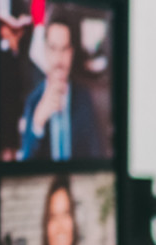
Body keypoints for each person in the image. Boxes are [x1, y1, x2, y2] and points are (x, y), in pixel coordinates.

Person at [15, 8, 104, 162]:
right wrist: (38, 123)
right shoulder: (33, 102)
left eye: (64, 49)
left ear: (72, 53)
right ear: (45, 51)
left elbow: (96, 157)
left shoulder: (85, 98)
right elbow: (25, 165)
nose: (59, 59)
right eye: (53, 48)